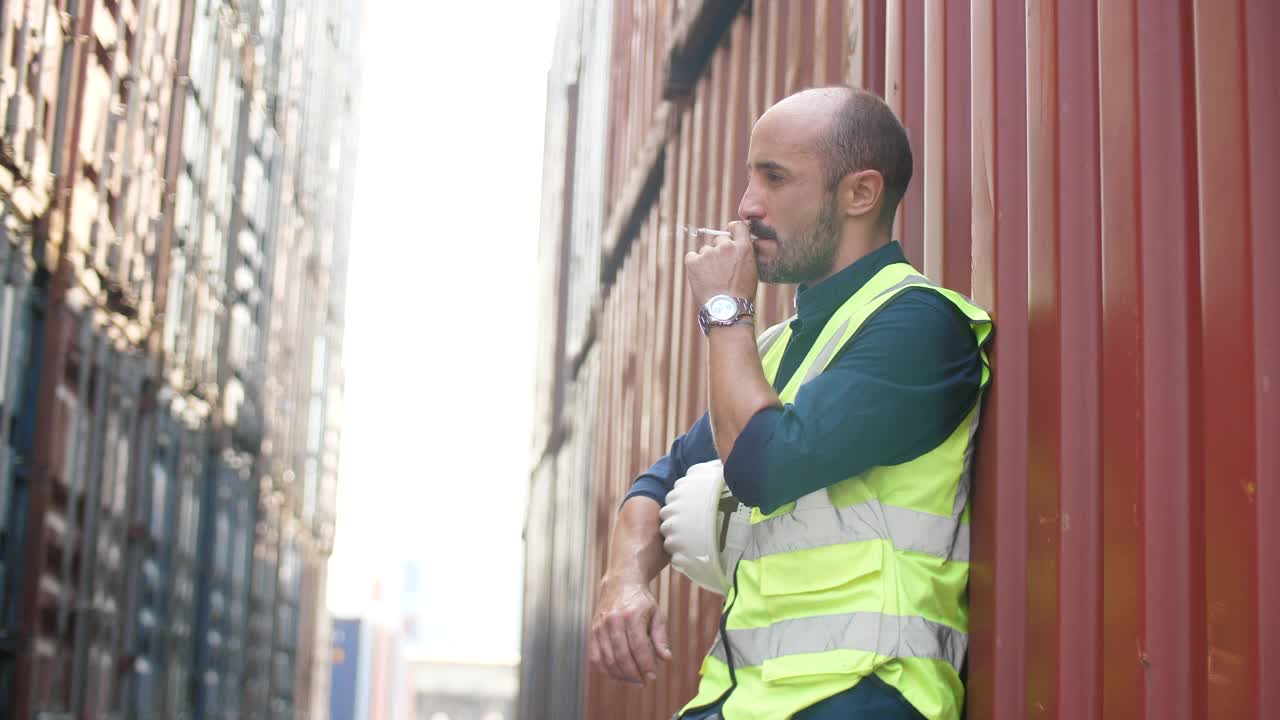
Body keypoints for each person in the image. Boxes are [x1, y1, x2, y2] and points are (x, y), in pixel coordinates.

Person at [587, 85, 993, 720]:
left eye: (773, 178)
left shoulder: (916, 325)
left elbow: (763, 468)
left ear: (860, 193)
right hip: (747, 699)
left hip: (866, 693)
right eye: (750, 177)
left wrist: (725, 311)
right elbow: (659, 481)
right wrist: (625, 580)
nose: (746, 207)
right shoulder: (775, 350)